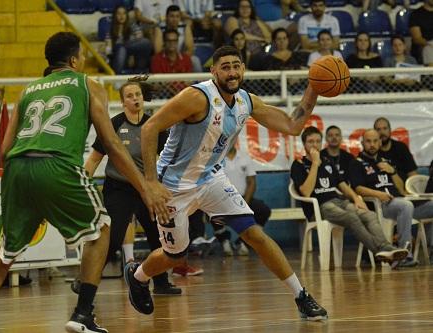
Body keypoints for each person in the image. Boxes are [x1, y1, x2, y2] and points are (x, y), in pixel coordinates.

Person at [0, 32, 170, 333]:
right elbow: (111, 143)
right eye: (81, 56)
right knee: (102, 229)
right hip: (55, 163)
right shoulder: (87, 84)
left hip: (17, 169)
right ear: (74, 60)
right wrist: (146, 188)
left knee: (6, 254)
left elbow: (4, 149)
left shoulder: (28, 90)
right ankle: (82, 315)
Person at [124, 45, 328, 321]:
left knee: (254, 233)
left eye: (236, 65)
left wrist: (315, 87)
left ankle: (301, 295)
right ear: (213, 71)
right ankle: (138, 276)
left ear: (243, 68)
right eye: (225, 67)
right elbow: (149, 128)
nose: (232, 72)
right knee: (175, 257)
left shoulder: (247, 101)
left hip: (210, 178)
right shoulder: (196, 97)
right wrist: (150, 182)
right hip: (173, 185)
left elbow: (292, 126)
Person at [80, 77, 181, 296]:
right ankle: (86, 279)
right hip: (118, 188)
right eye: (129, 96)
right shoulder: (114, 124)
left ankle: (161, 282)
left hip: (146, 189)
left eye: (138, 95)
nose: (135, 99)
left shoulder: (154, 125)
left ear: (143, 98)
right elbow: (95, 159)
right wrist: (81, 184)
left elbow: (168, 158)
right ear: (123, 101)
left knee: (159, 234)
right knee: (113, 238)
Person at [291, 127, 408, 263]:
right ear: (304, 144)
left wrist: (356, 198)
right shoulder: (298, 165)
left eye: (318, 141)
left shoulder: (327, 162)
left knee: (369, 215)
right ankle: (381, 251)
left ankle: (386, 248)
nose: (315, 145)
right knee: (352, 218)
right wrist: (315, 164)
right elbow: (305, 192)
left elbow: (343, 185)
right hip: (320, 207)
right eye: (310, 142)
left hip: (339, 201)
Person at [349, 129, 433, 268]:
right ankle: (404, 256)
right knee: (405, 206)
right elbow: (358, 188)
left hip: (399, 201)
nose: (372, 144)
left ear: (380, 142)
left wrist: (392, 171)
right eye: (368, 141)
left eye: (375, 141)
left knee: (426, 206)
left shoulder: (385, 161)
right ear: (362, 143)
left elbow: (401, 189)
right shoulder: (356, 163)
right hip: (381, 205)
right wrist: (379, 194)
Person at [214, 144, 271, 256]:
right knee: (212, 212)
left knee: (263, 210)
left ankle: (244, 241)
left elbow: (252, 182)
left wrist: (245, 202)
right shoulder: (216, 158)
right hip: (222, 200)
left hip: (243, 199)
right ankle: (224, 240)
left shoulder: (244, 157)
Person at [374, 117, 418, 192]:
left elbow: (412, 174)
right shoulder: (372, 151)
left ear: (390, 130)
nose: (382, 132)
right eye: (378, 129)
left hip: (405, 190)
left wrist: (410, 192)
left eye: (385, 128)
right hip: (384, 192)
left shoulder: (401, 147)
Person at [107, 5, 153, 74]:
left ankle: (138, 76)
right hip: (119, 59)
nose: (121, 16)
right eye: (119, 13)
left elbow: (140, 42)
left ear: (127, 15)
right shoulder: (110, 31)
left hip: (136, 58)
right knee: (121, 49)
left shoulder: (133, 26)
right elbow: (109, 50)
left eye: (124, 13)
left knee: (146, 42)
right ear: (115, 16)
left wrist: (131, 54)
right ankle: (117, 81)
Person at [409, 0, 433, 66]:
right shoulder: (416, 14)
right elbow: (417, 38)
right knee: (428, 48)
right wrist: (430, 44)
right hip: (425, 46)